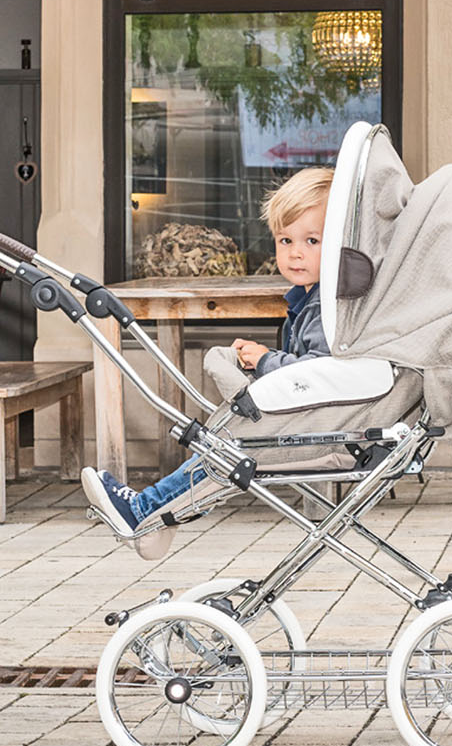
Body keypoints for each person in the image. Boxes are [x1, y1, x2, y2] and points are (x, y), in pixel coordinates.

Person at [82, 167, 333, 538]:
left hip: (316, 427)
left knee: (225, 448)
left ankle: (144, 511)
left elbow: (319, 370)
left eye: (312, 241)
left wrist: (265, 360)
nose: (295, 253)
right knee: (222, 444)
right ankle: (160, 514)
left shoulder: (326, 305)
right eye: (284, 241)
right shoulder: (311, 297)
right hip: (310, 419)